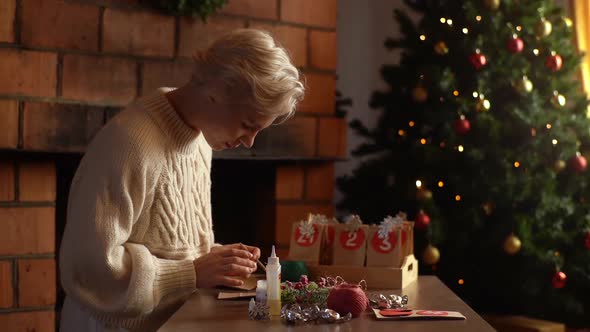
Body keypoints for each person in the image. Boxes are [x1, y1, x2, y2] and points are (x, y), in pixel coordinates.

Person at [59, 28, 305, 332]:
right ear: (217, 92)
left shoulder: (200, 139)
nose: (250, 142)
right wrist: (190, 273)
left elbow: (163, 242)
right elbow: (88, 268)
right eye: (246, 124)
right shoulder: (129, 143)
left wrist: (216, 259)